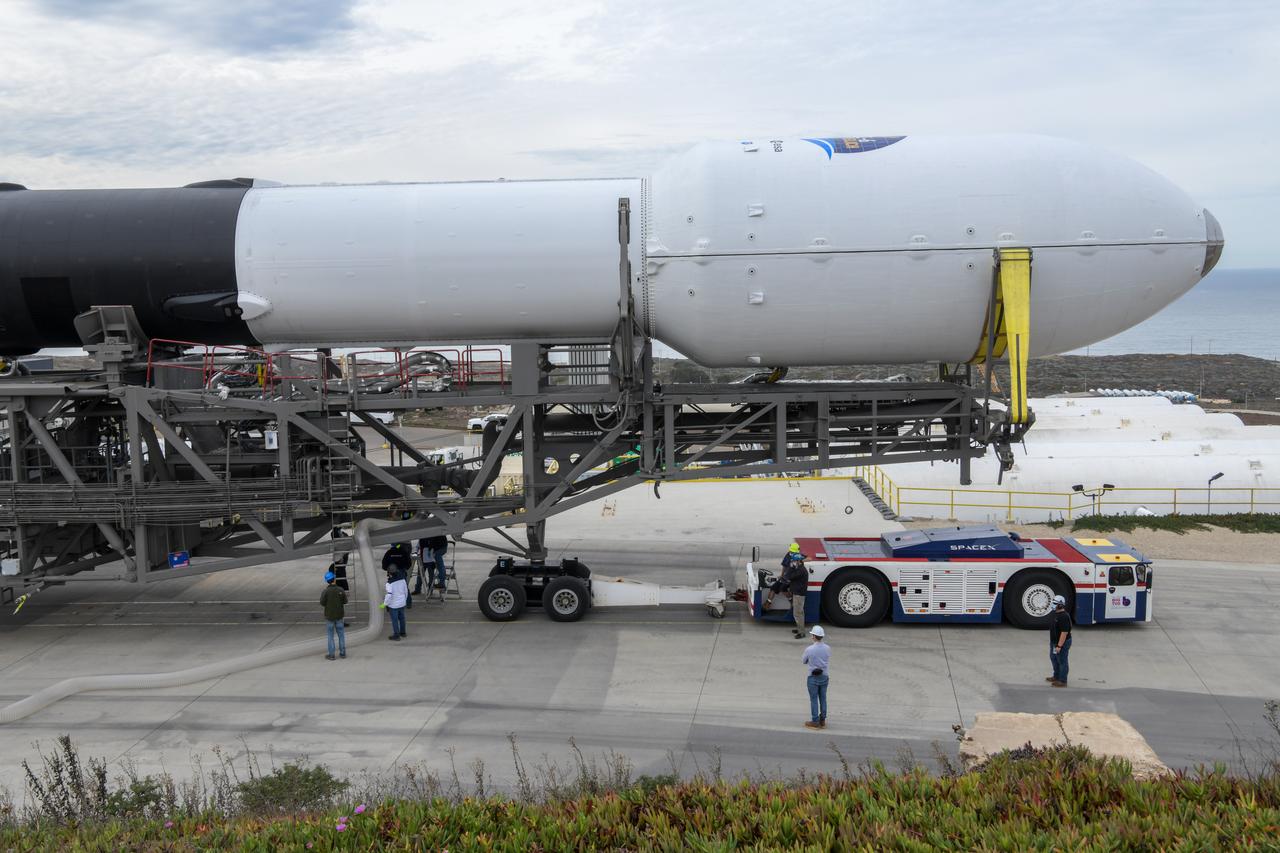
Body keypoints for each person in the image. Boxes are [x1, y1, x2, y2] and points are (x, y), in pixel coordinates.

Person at [762, 543, 806, 612]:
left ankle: (792, 602)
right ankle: (768, 603)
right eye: (791, 551)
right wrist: (781, 575)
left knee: (783, 588)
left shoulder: (799, 556)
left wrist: (800, 560)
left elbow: (809, 558)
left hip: (792, 578)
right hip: (785, 576)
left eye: (792, 552)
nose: (791, 553)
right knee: (773, 587)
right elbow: (784, 566)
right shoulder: (788, 555)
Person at [802, 625, 830, 729]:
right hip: (824, 676)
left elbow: (804, 661)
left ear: (814, 636)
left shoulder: (809, 649)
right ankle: (822, 719)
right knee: (823, 698)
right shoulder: (828, 648)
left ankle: (815, 721)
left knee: (813, 699)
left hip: (813, 678)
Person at [320, 571, 347, 660]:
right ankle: (342, 653)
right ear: (334, 579)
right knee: (341, 635)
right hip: (339, 616)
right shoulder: (340, 590)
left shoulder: (326, 591)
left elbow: (322, 603)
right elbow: (345, 601)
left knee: (330, 636)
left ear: (327, 581)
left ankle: (331, 655)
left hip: (329, 617)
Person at [1047, 594, 1072, 687]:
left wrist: (1059, 646)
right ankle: (1056, 676)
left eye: (1055, 603)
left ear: (1060, 605)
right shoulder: (1055, 613)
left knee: (1062, 661)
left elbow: (1064, 633)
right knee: (1054, 658)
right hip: (1054, 642)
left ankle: (1063, 681)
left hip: (1062, 643)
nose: (1052, 604)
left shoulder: (1064, 617)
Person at [382, 563, 409, 640]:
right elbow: (406, 591)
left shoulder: (389, 583)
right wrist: (404, 600)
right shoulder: (403, 579)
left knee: (394, 620)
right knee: (402, 618)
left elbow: (389, 595)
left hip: (393, 605)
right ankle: (403, 633)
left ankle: (396, 635)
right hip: (402, 603)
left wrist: (384, 604)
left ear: (389, 573)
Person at [383, 542, 413, 608]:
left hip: (392, 573)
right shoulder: (403, 552)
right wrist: (404, 568)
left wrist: (388, 568)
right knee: (404, 588)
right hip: (401, 572)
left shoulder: (389, 552)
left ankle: (391, 604)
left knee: (391, 589)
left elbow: (384, 565)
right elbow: (409, 563)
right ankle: (408, 603)